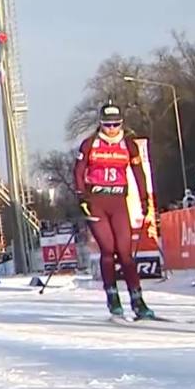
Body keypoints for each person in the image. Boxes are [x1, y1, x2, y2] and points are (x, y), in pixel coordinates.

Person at [73, 102, 156, 320]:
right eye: (108, 125)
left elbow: (138, 174)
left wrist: (145, 199)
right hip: (97, 202)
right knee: (108, 250)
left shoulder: (129, 145)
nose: (112, 129)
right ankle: (112, 297)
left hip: (119, 201)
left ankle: (138, 301)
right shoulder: (90, 144)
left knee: (125, 253)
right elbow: (79, 172)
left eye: (116, 124)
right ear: (101, 124)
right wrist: (81, 197)